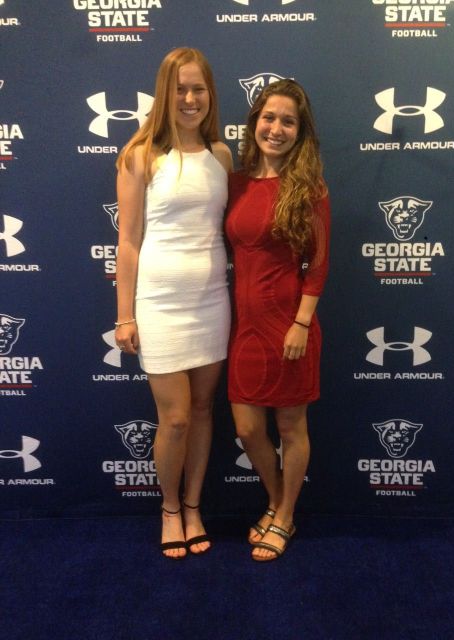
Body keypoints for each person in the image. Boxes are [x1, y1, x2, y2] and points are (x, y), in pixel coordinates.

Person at [114, 47, 232, 559]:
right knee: (177, 418)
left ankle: (193, 506)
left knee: (203, 410)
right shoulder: (140, 154)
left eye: (198, 89)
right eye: (180, 89)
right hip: (160, 303)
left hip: (212, 301)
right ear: (164, 93)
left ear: (210, 94)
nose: (189, 99)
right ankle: (168, 508)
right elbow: (128, 241)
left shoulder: (221, 156)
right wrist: (124, 314)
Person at [225, 79, 330, 562]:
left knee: (291, 428)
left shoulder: (309, 188)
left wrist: (301, 324)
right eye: (269, 117)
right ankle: (275, 499)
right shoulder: (237, 183)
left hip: (290, 326)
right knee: (248, 429)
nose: (276, 128)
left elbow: (319, 264)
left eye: (288, 121)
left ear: (299, 131)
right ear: (255, 123)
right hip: (244, 328)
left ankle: (284, 515)